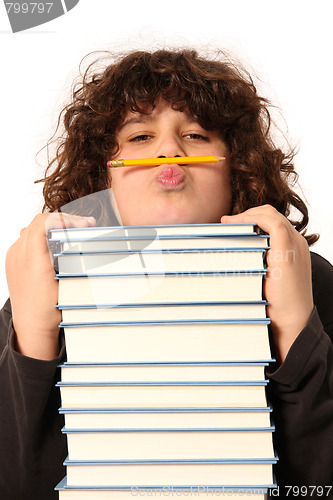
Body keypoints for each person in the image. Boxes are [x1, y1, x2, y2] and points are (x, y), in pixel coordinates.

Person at [1, 48, 332, 500]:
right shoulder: (42, 285)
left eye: (196, 135)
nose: (169, 150)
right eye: (140, 137)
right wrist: (35, 336)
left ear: (236, 168)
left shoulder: (308, 280)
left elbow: (318, 484)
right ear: (106, 175)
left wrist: (297, 332)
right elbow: (21, 484)